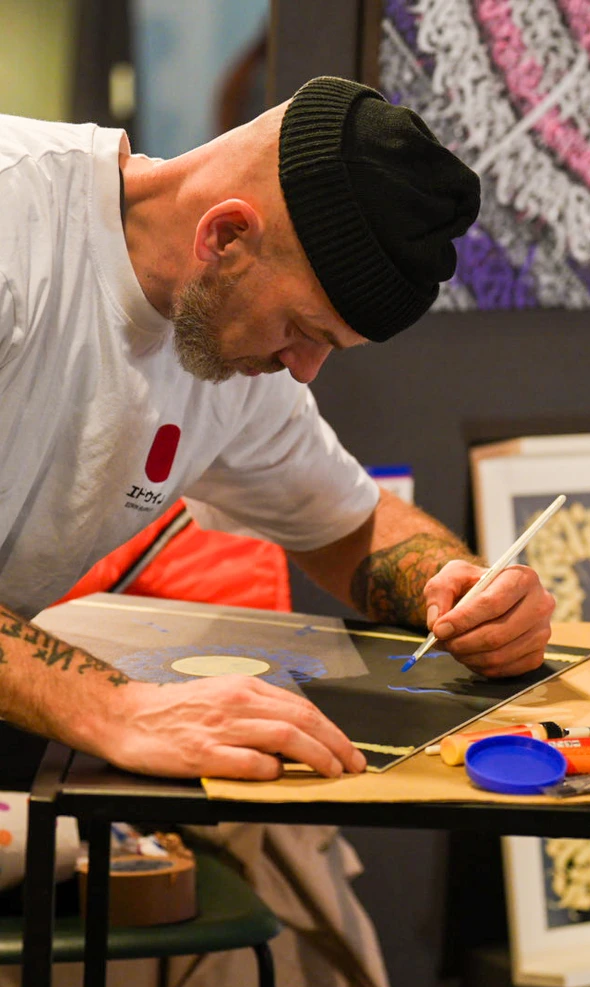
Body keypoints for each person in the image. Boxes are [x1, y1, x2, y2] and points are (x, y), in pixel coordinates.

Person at [0, 75, 554, 784]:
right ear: (226, 235)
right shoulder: (22, 233)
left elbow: (349, 526)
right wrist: (118, 708)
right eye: (300, 329)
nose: (304, 370)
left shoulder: (225, 347)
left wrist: (458, 591)